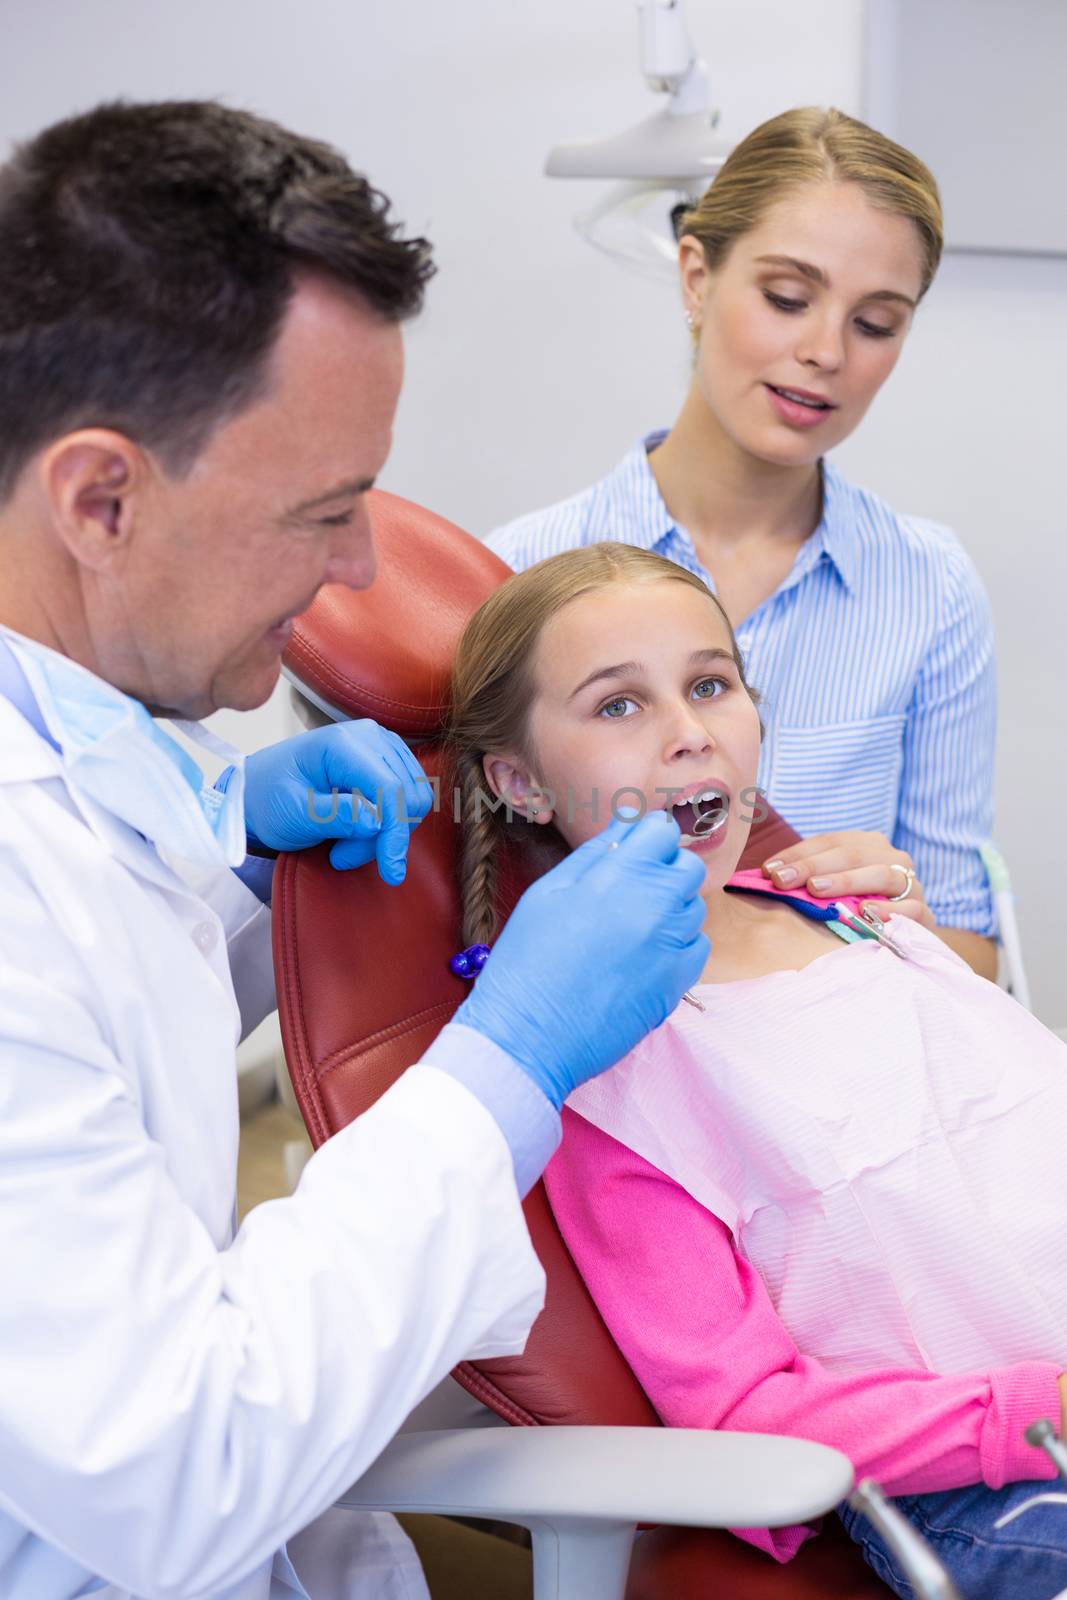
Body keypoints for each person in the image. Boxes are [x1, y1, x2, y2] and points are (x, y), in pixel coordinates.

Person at [0, 102, 712, 1600]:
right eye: (322, 515)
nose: (353, 575)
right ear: (100, 499)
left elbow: (103, 1017)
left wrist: (235, 888)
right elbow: (171, 1461)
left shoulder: (92, 761)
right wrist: (508, 1060)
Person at [444, 541, 1067, 1600]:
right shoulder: (610, 1070)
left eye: (708, 684)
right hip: (991, 1480)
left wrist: (905, 934)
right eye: (617, 706)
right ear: (517, 780)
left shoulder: (856, 915)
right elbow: (744, 1415)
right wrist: (1041, 1410)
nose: (689, 732)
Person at [487, 106, 999, 980]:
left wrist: (902, 918)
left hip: (842, 1076)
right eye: (787, 298)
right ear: (695, 277)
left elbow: (972, 957)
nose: (823, 351)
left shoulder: (929, 589)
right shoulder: (517, 570)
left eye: (874, 324)